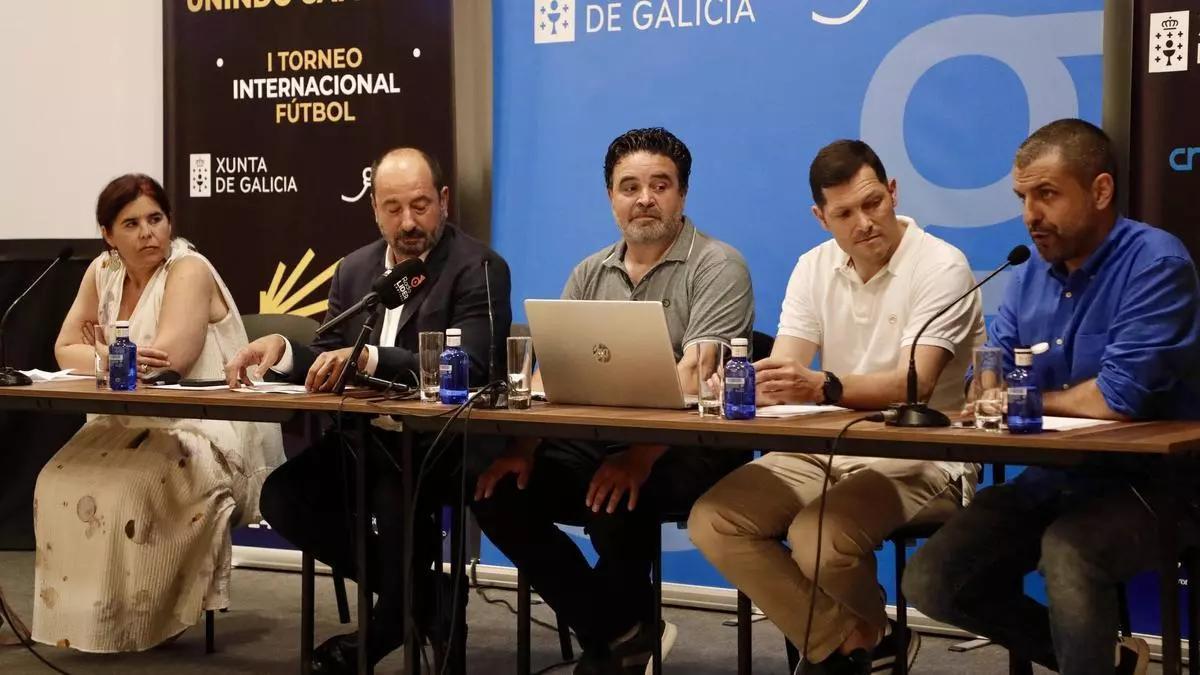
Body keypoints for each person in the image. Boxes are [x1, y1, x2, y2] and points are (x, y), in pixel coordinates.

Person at [902, 119, 1200, 675]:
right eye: (1022, 197)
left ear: (1101, 191)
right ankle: (1110, 664)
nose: (1030, 215)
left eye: (1046, 194)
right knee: (934, 576)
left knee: (1071, 550)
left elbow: (1118, 398)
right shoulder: (1027, 272)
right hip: (1053, 478)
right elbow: (992, 370)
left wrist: (1022, 397)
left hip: (1156, 488)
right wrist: (984, 389)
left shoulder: (1156, 265)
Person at [687, 139, 985, 674]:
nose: (864, 222)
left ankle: (847, 650)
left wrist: (822, 385)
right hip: (824, 445)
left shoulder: (943, 266)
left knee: (818, 535)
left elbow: (911, 384)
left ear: (893, 192)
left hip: (922, 454)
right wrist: (744, 386)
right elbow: (787, 372)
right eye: (844, 213)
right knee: (713, 519)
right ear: (821, 217)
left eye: (873, 203)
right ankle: (862, 641)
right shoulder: (812, 267)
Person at [472, 127, 754, 674]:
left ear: (682, 194)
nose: (644, 198)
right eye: (629, 187)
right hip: (599, 443)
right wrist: (523, 449)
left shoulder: (719, 266)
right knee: (496, 490)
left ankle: (613, 646)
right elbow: (557, 376)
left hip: (692, 444)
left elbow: (695, 381)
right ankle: (623, 629)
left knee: (620, 504)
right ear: (611, 198)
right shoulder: (589, 271)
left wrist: (639, 456)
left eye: (659, 185)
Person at [224, 147, 511, 673]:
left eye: (421, 206)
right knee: (284, 497)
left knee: (394, 489)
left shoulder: (479, 268)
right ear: (375, 209)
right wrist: (285, 352)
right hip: (364, 438)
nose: (408, 223)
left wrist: (375, 357)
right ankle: (429, 600)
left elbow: (472, 364)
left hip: (439, 445)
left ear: (444, 202)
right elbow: (329, 351)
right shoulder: (356, 271)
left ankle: (387, 626)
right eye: (394, 208)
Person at [37, 173, 284, 652]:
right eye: (131, 224)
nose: (148, 232)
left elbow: (171, 360)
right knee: (55, 480)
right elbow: (63, 348)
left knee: (127, 490)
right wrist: (115, 360)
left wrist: (105, 359)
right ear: (108, 235)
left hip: (200, 428)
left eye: (156, 219)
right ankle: (87, 620)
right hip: (127, 423)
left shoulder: (189, 269)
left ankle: (133, 626)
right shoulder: (101, 272)